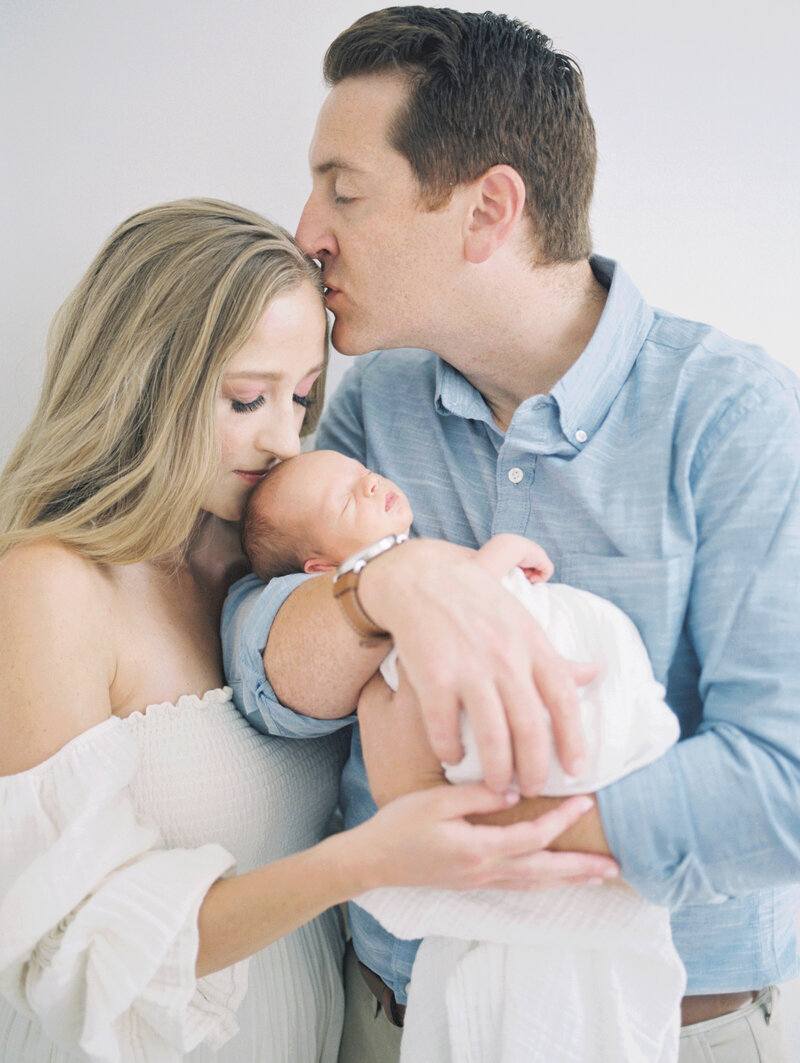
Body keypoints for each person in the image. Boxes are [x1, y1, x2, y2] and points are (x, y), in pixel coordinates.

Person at [222, 8, 800, 1063]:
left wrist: (470, 839)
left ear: (488, 209)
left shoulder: (736, 418)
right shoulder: (366, 404)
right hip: (387, 1019)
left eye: (343, 191)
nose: (306, 230)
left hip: (668, 1031)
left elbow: (781, 785)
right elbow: (259, 675)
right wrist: (389, 588)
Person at [0, 198, 615, 1063]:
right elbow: (69, 945)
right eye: (247, 398)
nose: (286, 438)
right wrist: (366, 861)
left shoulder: (274, 567)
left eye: (302, 395)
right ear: (144, 381)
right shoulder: (49, 585)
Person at [241, 448, 687, 1061]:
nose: (371, 483)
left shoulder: (412, 562)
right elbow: (470, 589)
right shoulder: (385, 585)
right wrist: (505, 549)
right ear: (321, 566)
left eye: (360, 473)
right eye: (347, 498)